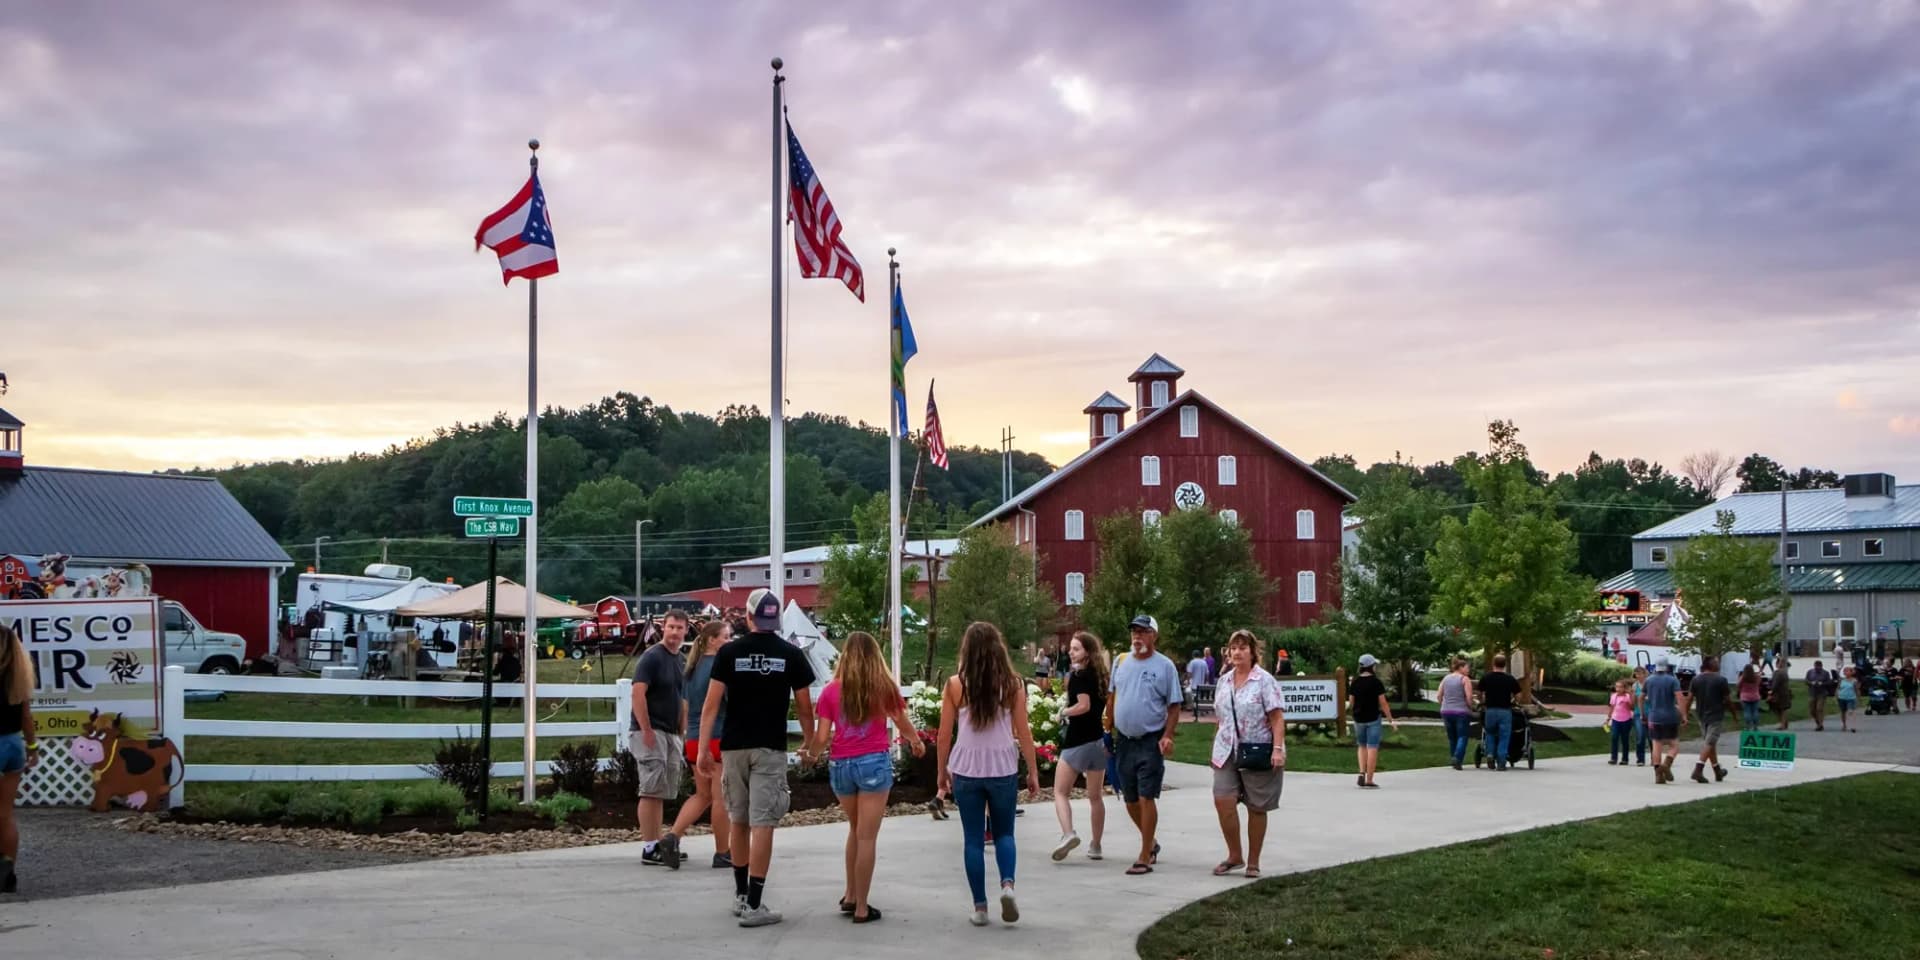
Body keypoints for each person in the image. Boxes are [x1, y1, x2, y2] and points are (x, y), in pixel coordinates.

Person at [696, 588, 817, 928]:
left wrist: (704, 749)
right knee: (764, 823)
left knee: (739, 819)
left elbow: (710, 705)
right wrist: (809, 743)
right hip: (769, 747)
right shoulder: (791, 654)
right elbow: (805, 706)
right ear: (775, 617)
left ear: (748, 617)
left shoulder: (729, 652)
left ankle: (739, 895)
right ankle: (755, 903)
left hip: (734, 747)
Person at [809, 631, 922, 924]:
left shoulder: (831, 691)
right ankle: (861, 907)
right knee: (867, 836)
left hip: (841, 765)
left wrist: (811, 752)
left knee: (855, 829)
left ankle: (850, 894)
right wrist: (915, 741)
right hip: (873, 763)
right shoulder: (883, 687)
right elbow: (901, 721)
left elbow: (822, 736)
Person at [936, 621, 1041, 927]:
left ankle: (980, 908)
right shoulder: (1013, 685)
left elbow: (944, 734)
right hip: (1002, 767)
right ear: (999, 649)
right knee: (1005, 832)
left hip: (966, 769)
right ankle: (1007, 885)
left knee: (972, 840)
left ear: (966, 650)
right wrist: (1033, 771)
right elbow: (1023, 732)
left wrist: (941, 771)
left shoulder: (956, 685)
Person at [1103, 614, 1183, 876]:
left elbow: (1174, 705)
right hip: (1123, 740)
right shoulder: (1121, 662)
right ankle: (1152, 842)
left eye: (1143, 631)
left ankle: (1145, 854)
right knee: (1130, 800)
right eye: (1134, 631)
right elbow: (1112, 697)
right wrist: (1107, 730)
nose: (1137, 636)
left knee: (1146, 796)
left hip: (1150, 740)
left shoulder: (1165, 666)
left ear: (1154, 635)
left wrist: (1168, 735)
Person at [1209, 630, 1285, 878]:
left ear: (1253, 652)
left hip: (1258, 749)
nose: (1237, 652)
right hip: (1226, 749)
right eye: (1233, 648)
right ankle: (1235, 855)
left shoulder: (1264, 681)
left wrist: (1277, 749)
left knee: (1256, 805)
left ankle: (1253, 861)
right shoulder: (1224, 681)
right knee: (1223, 800)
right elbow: (1220, 716)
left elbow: (1276, 718)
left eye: (1243, 647)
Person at [666, 619, 733, 869]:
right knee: (720, 798)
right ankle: (722, 851)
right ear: (713, 639)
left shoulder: (691, 668)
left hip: (693, 739)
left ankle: (672, 836)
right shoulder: (720, 666)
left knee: (702, 794)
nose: (729, 641)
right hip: (717, 737)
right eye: (726, 636)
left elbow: (685, 707)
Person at [632, 609, 689, 868]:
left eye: (679, 628)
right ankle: (648, 846)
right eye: (671, 627)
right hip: (651, 729)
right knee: (650, 789)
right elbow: (638, 694)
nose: (675, 632)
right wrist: (645, 731)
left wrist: (682, 730)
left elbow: (683, 698)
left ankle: (660, 845)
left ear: (686, 630)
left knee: (663, 791)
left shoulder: (681, 660)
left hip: (671, 732)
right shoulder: (652, 657)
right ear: (662, 628)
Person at [1051, 631, 1110, 863]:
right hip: (1098, 741)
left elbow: (1083, 706)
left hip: (1077, 741)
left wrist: (1064, 711)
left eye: (1076, 649)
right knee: (1095, 797)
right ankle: (1096, 845)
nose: (1071, 652)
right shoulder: (1100, 675)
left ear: (1087, 651)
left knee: (1060, 792)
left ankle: (1068, 833)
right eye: (1071, 648)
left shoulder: (1079, 676)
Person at [1, 625, 38, 894]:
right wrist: (33, 746)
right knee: (5, 815)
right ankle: (7, 873)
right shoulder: (19, 676)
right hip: (13, 744)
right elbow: (26, 718)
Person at [1348, 654, 1398, 786]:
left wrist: (1354, 711)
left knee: (1362, 745)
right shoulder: (1376, 682)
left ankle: (1361, 772)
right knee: (1372, 747)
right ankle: (1369, 779)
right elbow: (1383, 703)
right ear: (1371, 667)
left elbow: (1351, 702)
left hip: (1359, 718)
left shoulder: (1355, 682)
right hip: (1373, 718)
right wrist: (1390, 719)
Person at [1686, 656, 1732, 783]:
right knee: (1710, 743)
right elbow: (1728, 699)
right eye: (1716, 662)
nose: (1718, 664)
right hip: (1716, 715)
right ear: (1710, 665)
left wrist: (1685, 713)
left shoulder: (1696, 679)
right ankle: (1698, 770)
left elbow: (1689, 698)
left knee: (1710, 742)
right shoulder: (1721, 680)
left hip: (1701, 714)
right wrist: (1734, 714)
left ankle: (1718, 771)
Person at [1643, 657, 1683, 783]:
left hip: (1654, 717)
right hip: (1670, 716)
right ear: (1667, 667)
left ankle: (1658, 775)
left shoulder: (1649, 680)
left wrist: (1643, 713)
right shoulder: (1672, 680)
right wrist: (1683, 715)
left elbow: (1641, 697)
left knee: (1656, 745)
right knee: (1674, 745)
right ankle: (1666, 765)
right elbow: (1680, 697)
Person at [1477, 654, 1521, 772]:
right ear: (1505, 665)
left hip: (1490, 710)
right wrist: (1515, 702)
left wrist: (1482, 702)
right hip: (1505, 711)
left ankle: (1490, 754)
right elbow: (1518, 695)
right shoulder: (1510, 678)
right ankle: (1501, 762)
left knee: (1490, 733)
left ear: (1493, 664)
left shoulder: (1486, 677)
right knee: (1504, 736)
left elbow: (1479, 693)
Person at [1436, 658, 1475, 771]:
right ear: (1461, 668)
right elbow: (1468, 697)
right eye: (1467, 667)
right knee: (1462, 736)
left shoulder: (1446, 678)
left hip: (1446, 711)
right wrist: (1470, 707)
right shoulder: (1465, 679)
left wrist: (1444, 705)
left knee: (1452, 737)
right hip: (1461, 712)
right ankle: (1457, 758)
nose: (1468, 670)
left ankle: (1454, 759)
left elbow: (1439, 695)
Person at [1607, 679, 1635, 765]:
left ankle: (1625, 759)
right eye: (1617, 687)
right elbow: (1612, 707)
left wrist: (1628, 701)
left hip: (1626, 720)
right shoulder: (1614, 696)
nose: (1618, 689)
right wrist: (1609, 717)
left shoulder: (1627, 696)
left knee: (1624, 739)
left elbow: (1632, 707)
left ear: (1624, 688)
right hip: (1616, 719)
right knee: (1614, 737)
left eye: (1620, 687)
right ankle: (1613, 758)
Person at [1631, 666, 1651, 766]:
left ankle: (1654, 758)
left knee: (1652, 737)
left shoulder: (1650, 684)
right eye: (1636, 674)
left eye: (1640, 673)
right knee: (1640, 736)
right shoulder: (1635, 686)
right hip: (1638, 713)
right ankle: (1640, 759)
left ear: (1645, 674)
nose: (1638, 676)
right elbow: (1632, 703)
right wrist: (1634, 696)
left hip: (1651, 713)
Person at [1805, 660, 1832, 731]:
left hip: (1822, 693)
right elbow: (1806, 681)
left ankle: (1820, 725)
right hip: (1812, 693)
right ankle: (1818, 722)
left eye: (1818, 667)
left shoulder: (1825, 673)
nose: (1817, 668)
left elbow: (1829, 682)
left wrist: (1822, 683)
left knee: (1819, 709)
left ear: (1821, 666)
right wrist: (1811, 683)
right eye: (1815, 666)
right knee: (1812, 710)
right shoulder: (1810, 672)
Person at [1185, 649, 1212, 717]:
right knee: (1200, 698)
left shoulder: (1192, 662)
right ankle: (1201, 711)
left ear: (1193, 655)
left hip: (1194, 684)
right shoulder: (1204, 662)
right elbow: (1207, 674)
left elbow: (1189, 673)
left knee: (1194, 698)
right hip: (1202, 684)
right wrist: (1206, 681)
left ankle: (1195, 712)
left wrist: (1188, 681)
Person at [1768, 658, 1794, 729]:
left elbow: (1775, 684)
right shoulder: (1785, 673)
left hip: (1778, 694)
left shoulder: (1777, 673)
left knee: (1778, 709)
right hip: (1785, 692)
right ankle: (1784, 723)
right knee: (1783, 709)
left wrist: (1771, 691)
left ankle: (1783, 724)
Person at [1736, 663, 1763, 732]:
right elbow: (1759, 683)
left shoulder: (1743, 678)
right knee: (1755, 711)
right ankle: (1755, 726)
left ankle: (1747, 726)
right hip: (1755, 696)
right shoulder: (1756, 677)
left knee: (1747, 712)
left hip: (1745, 697)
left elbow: (1738, 685)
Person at [1835, 667, 1859, 733]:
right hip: (1841, 698)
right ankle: (1844, 725)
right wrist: (1836, 696)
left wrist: (1857, 698)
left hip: (1851, 698)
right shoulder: (1841, 680)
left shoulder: (1854, 681)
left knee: (1850, 712)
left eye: (1848, 671)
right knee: (1843, 712)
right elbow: (1838, 689)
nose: (1846, 672)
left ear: (1851, 672)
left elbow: (1856, 690)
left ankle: (1853, 726)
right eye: (1845, 671)